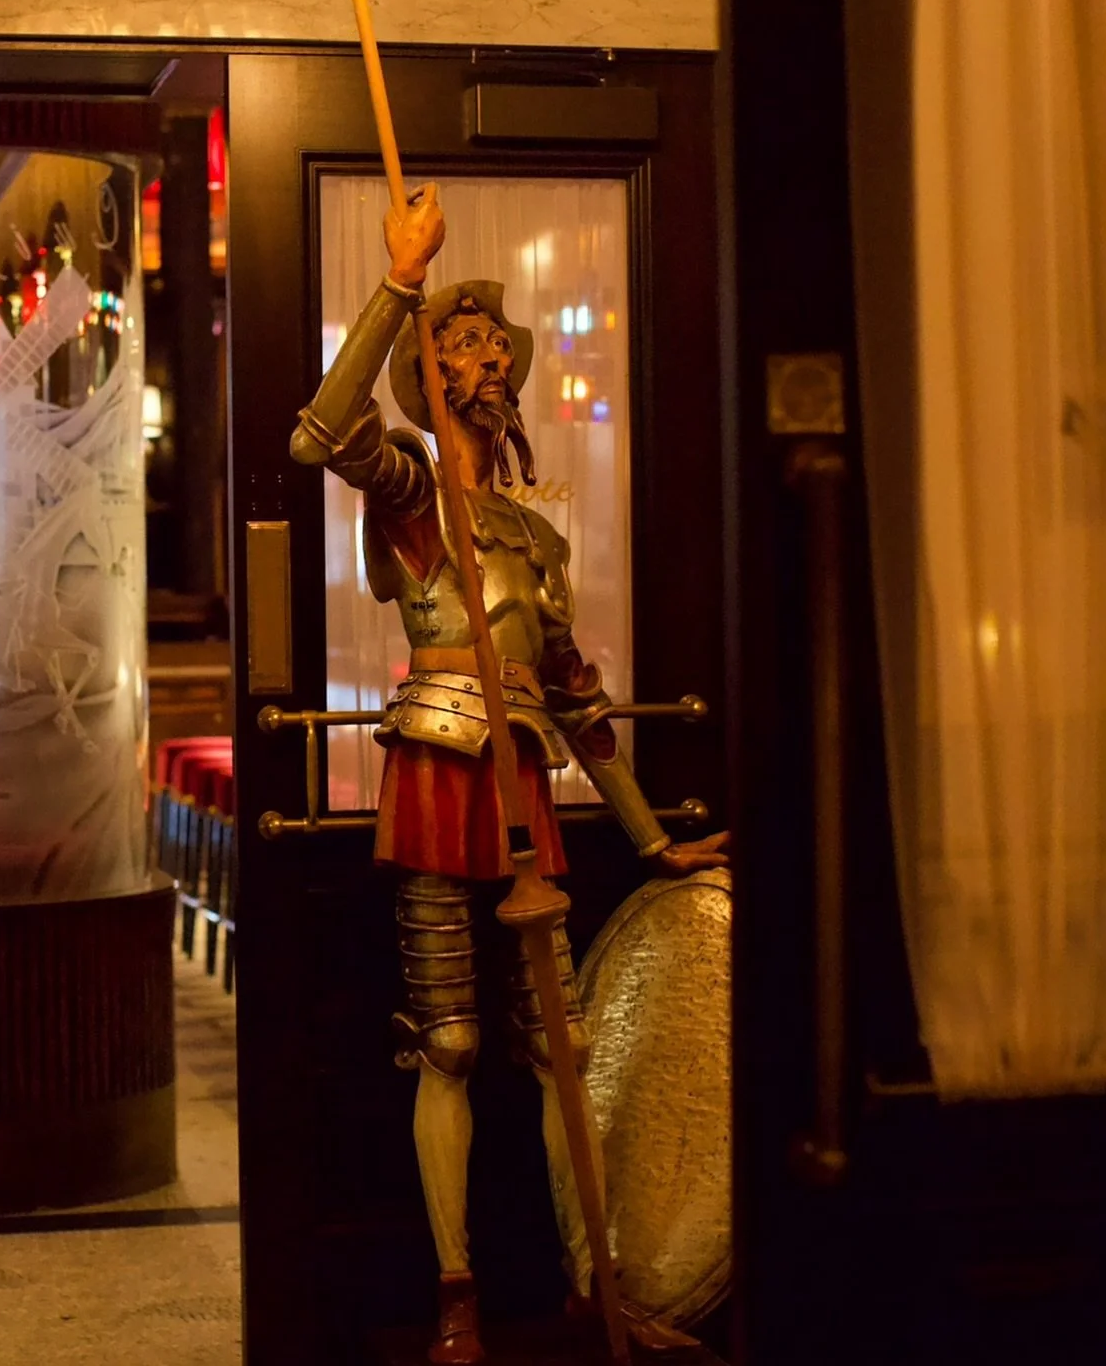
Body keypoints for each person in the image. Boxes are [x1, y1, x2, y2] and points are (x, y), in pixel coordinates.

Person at [291, 184, 730, 1364]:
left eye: (495, 346)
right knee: (450, 1044)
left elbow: (579, 698)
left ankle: (595, 1279)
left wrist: (647, 841)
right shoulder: (413, 495)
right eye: (461, 346)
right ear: (430, 376)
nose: (484, 361)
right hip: (437, 776)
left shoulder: (534, 536)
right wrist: (398, 284)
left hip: (527, 789)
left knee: (564, 1050)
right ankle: (456, 1294)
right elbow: (315, 439)